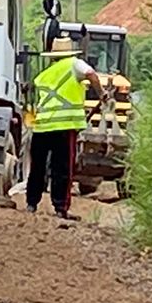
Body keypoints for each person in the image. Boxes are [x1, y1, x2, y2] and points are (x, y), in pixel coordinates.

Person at [26, 34, 103, 219]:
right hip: (64, 125)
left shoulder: (42, 76)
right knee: (62, 168)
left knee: (38, 167)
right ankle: (60, 207)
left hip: (42, 126)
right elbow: (91, 73)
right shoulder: (74, 64)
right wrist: (101, 93)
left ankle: (31, 203)